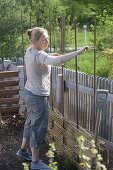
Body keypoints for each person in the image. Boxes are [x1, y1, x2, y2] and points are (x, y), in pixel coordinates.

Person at [16, 27, 88, 170]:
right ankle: (35, 162)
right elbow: (56, 61)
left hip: (29, 94)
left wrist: (58, 54)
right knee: (38, 128)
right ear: (36, 41)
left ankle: (23, 150)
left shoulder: (30, 50)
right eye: (44, 39)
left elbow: (50, 56)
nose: (47, 41)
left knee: (30, 122)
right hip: (38, 97)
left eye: (47, 38)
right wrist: (78, 51)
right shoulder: (38, 55)